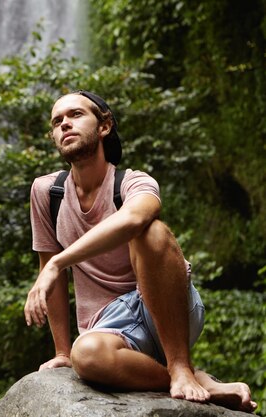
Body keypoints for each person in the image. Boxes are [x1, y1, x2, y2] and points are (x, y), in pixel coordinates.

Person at [24, 90, 256, 412]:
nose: (64, 124)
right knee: (85, 354)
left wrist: (59, 263)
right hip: (110, 328)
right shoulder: (47, 193)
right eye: (57, 121)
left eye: (76, 115)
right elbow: (51, 273)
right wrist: (63, 352)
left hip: (165, 307)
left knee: (151, 232)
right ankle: (193, 379)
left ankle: (180, 366)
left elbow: (135, 218)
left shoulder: (132, 183)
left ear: (104, 126)